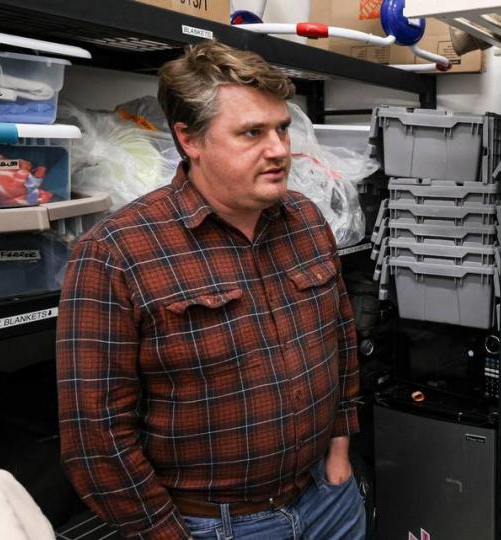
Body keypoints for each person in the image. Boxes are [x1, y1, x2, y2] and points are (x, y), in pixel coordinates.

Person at [56, 40, 364, 539]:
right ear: (189, 139)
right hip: (213, 526)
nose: (280, 150)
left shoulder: (306, 220)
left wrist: (339, 453)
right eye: (252, 133)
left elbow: (342, 341)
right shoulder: (115, 254)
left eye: (282, 128)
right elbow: (97, 438)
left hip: (327, 500)